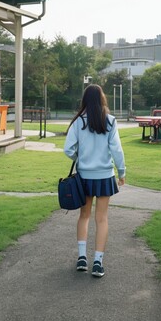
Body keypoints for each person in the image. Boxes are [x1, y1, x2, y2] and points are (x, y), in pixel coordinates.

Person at [63, 84, 126, 278]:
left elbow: (68, 149)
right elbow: (116, 150)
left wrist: (80, 159)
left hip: (84, 176)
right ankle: (98, 262)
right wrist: (121, 171)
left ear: (84, 100)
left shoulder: (78, 122)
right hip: (105, 175)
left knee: (84, 216)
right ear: (101, 98)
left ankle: (82, 258)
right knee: (102, 219)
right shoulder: (110, 121)